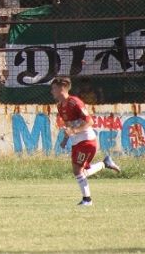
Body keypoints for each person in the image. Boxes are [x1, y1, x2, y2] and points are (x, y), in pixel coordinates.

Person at [51, 76, 120, 206]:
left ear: (62, 89)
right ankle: (105, 164)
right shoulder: (60, 106)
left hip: (87, 141)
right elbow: (68, 125)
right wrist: (65, 139)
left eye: (54, 88)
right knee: (80, 172)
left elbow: (90, 121)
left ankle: (87, 200)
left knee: (77, 170)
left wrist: (74, 131)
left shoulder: (75, 102)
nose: (52, 91)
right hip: (76, 142)